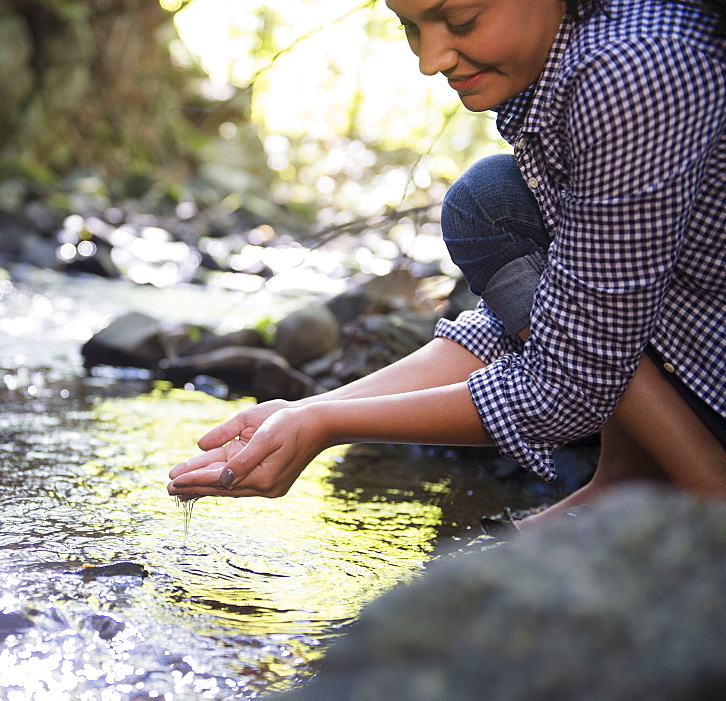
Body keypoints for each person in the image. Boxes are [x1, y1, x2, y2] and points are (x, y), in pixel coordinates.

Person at [168, 0, 726, 527]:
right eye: (410, 27)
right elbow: (559, 316)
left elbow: (570, 386)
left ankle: (712, 505)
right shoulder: (566, 57)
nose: (430, 61)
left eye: (459, 20)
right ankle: (628, 483)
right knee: (488, 201)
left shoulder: (632, 65)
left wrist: (327, 425)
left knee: (487, 202)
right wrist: (305, 409)